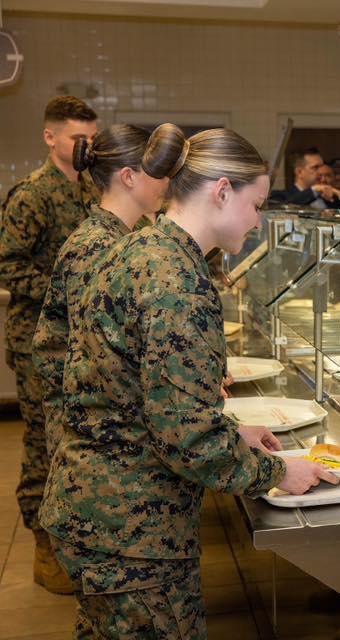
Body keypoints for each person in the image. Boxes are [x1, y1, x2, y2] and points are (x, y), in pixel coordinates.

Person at [39, 126, 340, 638]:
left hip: (101, 508)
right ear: (222, 191)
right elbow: (189, 439)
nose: (259, 220)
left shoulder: (144, 249)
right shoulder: (175, 281)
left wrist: (230, 434)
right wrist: (275, 471)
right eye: (257, 203)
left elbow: (134, 394)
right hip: (132, 527)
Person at [0, 95, 98, 595]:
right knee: (42, 444)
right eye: (77, 138)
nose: (85, 147)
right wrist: (64, 288)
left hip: (77, 343)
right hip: (36, 343)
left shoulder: (91, 191)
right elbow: (8, 265)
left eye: (91, 139)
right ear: (51, 137)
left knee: (71, 444)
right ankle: (43, 549)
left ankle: (71, 542)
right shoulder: (32, 195)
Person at [33, 124, 170, 461]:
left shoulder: (124, 235)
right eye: (158, 172)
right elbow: (98, 358)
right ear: (129, 176)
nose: (167, 182)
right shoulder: (96, 247)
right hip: (92, 440)